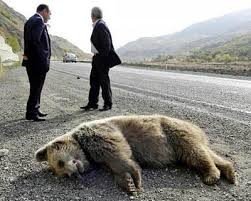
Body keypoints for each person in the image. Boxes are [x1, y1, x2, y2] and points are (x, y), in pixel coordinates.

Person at [81, 7, 121, 111]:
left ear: (92, 16)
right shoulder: (98, 25)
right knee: (94, 81)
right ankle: (92, 103)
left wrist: (101, 58)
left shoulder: (100, 25)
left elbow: (106, 44)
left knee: (104, 82)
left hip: (102, 59)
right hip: (97, 58)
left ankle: (108, 104)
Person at [22, 4, 51, 121]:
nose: (50, 16)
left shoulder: (30, 20)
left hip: (31, 61)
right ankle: (31, 113)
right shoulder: (39, 21)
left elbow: (29, 41)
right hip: (37, 62)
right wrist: (43, 57)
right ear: (44, 11)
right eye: (49, 13)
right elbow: (35, 41)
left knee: (35, 87)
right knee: (36, 87)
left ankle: (34, 109)